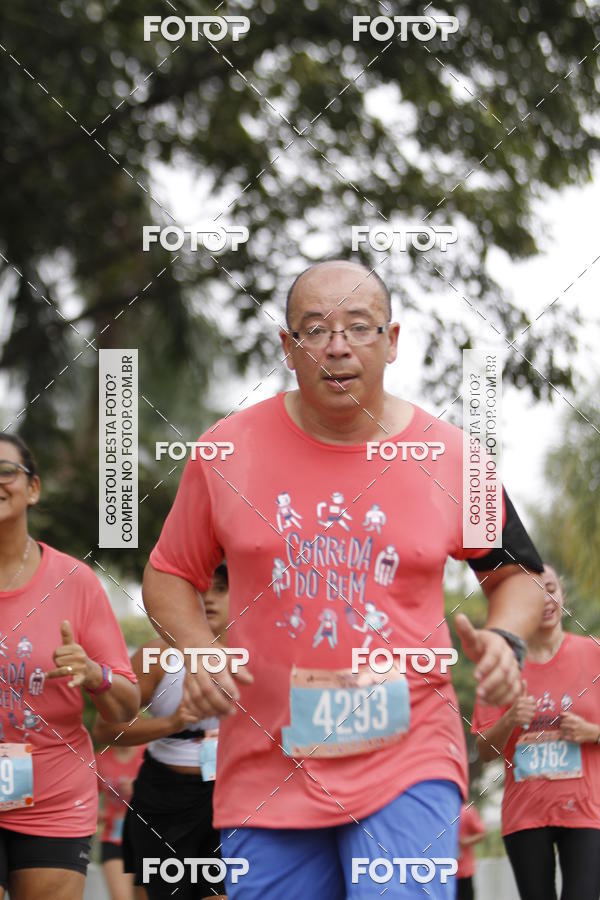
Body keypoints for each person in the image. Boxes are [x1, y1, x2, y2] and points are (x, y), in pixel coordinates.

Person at [142, 259, 546, 898]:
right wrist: (198, 647)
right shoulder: (225, 451)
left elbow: (517, 572)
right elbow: (169, 573)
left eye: (360, 327)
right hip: (265, 764)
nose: (337, 346)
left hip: (408, 751)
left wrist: (508, 639)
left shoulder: (452, 455)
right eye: (314, 329)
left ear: (391, 341)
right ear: (286, 346)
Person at [0, 434, 140, 900]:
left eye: (6, 471)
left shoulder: (74, 583)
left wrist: (95, 674)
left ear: (33, 488)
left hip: (55, 798)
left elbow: (125, 705)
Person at [94, 563, 229, 900]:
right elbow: (107, 727)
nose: (209, 599)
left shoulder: (260, 654)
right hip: (165, 798)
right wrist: (172, 722)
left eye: (221, 589)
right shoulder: (158, 654)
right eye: (200, 590)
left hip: (233, 798)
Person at [473, 563, 600, 900]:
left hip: (587, 811)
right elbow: (484, 750)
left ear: (563, 595)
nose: (545, 599)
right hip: (526, 815)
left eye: (551, 588)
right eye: (533, 593)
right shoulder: (501, 662)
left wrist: (593, 733)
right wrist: (510, 718)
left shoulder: (594, 653)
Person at [95, 743, 145, 900]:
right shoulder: (99, 759)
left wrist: (140, 788)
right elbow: (86, 796)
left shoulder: (150, 753)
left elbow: (170, 794)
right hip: (114, 839)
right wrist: (96, 814)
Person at [456, 802, 486, 899]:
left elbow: (482, 834)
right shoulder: (436, 811)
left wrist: (465, 841)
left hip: (463, 873)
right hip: (441, 872)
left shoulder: (466, 810)